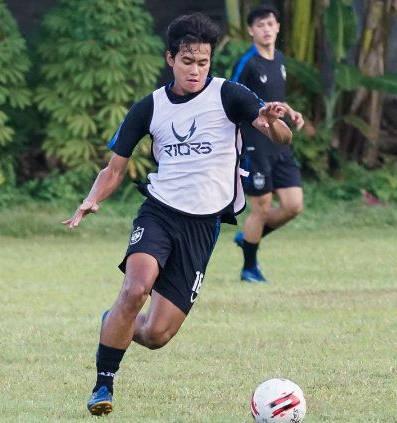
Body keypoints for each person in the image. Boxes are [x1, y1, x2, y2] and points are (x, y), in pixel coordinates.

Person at [63, 12, 297, 416]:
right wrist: (92, 198)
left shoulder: (229, 95)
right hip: (159, 213)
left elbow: (279, 134)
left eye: (203, 63)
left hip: (203, 227)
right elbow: (115, 167)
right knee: (135, 289)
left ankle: (114, 322)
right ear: (170, 59)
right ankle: (103, 385)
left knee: (156, 335)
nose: (195, 71)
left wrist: (275, 122)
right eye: (187, 62)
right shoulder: (149, 108)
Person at [231, 5, 306, 283]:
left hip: (279, 143)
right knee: (260, 208)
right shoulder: (247, 63)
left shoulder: (280, 60)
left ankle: (249, 236)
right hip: (255, 145)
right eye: (260, 25)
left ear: (277, 28)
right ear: (251, 30)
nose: (266, 29)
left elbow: (274, 99)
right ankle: (249, 267)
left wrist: (290, 111)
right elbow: (231, 96)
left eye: (270, 24)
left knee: (293, 205)